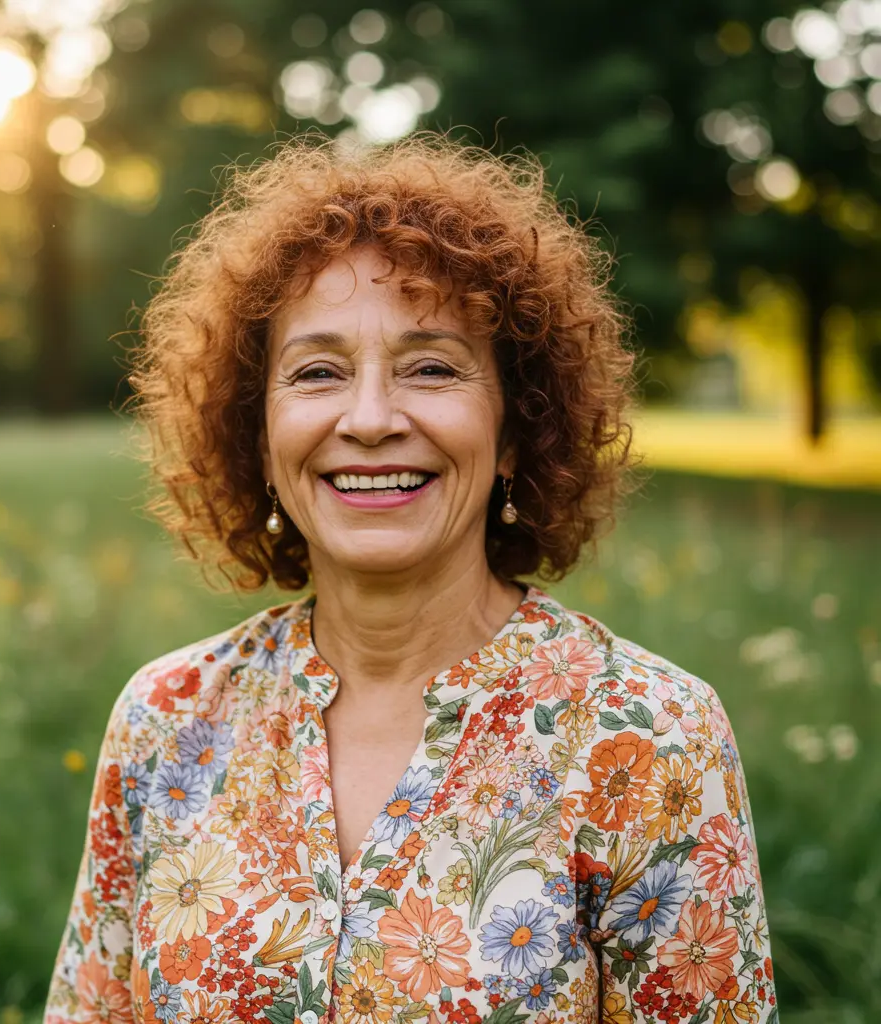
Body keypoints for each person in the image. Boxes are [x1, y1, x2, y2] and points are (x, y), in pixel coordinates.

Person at [43, 134, 776, 1024]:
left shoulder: (651, 737)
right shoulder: (164, 719)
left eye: (432, 367)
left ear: (515, 429)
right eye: (318, 373)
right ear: (259, 439)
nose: (371, 419)